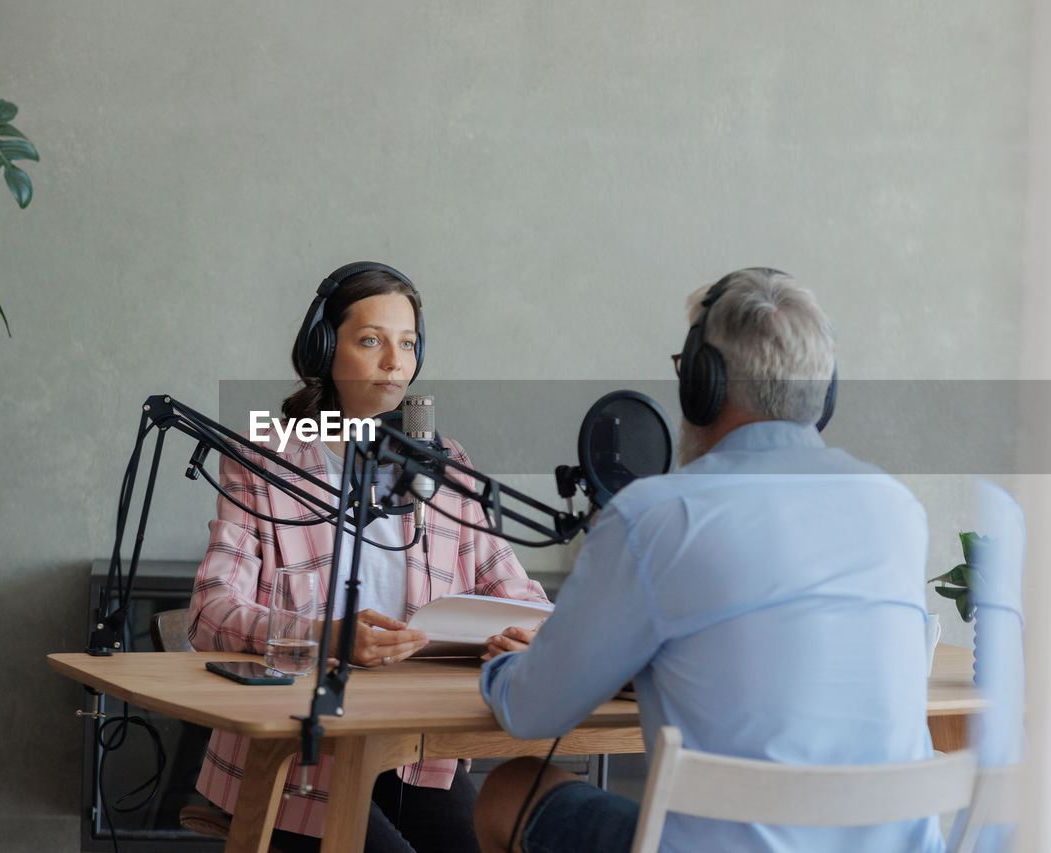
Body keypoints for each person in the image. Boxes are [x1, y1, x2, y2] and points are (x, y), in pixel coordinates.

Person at [473, 268, 943, 853]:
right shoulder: (898, 507)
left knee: (510, 790)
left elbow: (531, 713)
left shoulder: (655, 515)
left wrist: (508, 669)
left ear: (703, 381)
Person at [188, 261, 548, 853]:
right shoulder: (262, 458)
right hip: (297, 759)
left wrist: (531, 633)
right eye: (371, 341)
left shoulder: (444, 464)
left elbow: (518, 593)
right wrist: (326, 636)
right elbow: (208, 614)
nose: (394, 363)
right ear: (323, 349)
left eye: (406, 344)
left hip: (412, 753)